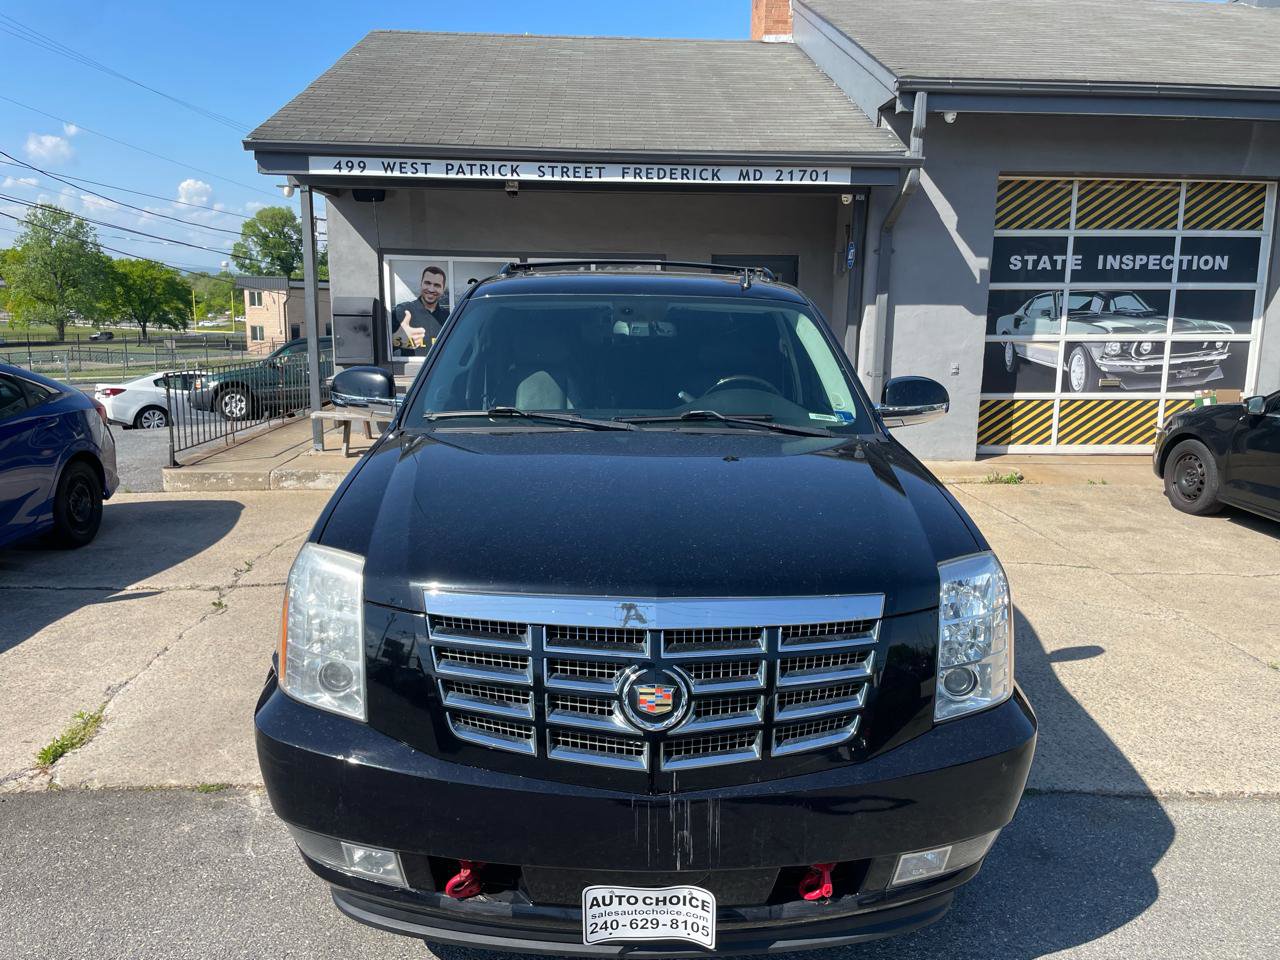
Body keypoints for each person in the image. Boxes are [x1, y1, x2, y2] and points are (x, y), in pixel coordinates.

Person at [392, 266, 449, 354]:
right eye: (427, 283)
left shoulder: (447, 316)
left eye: (437, 285)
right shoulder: (402, 311)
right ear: (421, 284)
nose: (431, 289)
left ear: (443, 289)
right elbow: (383, 347)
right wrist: (396, 339)